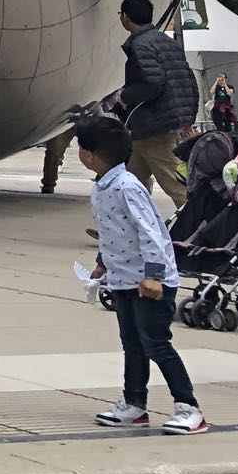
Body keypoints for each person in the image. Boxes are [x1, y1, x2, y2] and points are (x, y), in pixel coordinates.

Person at [73, 115, 205, 433]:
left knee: (156, 344)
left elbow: (151, 232)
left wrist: (154, 276)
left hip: (150, 282)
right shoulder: (103, 185)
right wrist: (103, 263)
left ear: (89, 155)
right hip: (123, 280)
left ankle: (189, 407)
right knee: (132, 345)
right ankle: (134, 404)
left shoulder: (127, 187)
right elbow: (112, 230)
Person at [112, 0, 195, 210]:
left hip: (155, 125)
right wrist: (188, 117)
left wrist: (125, 96)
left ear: (125, 17)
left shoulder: (140, 45)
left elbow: (152, 83)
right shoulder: (168, 42)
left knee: (175, 184)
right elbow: (188, 80)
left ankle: (200, 223)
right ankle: (129, 221)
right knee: (132, 179)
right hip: (157, 124)